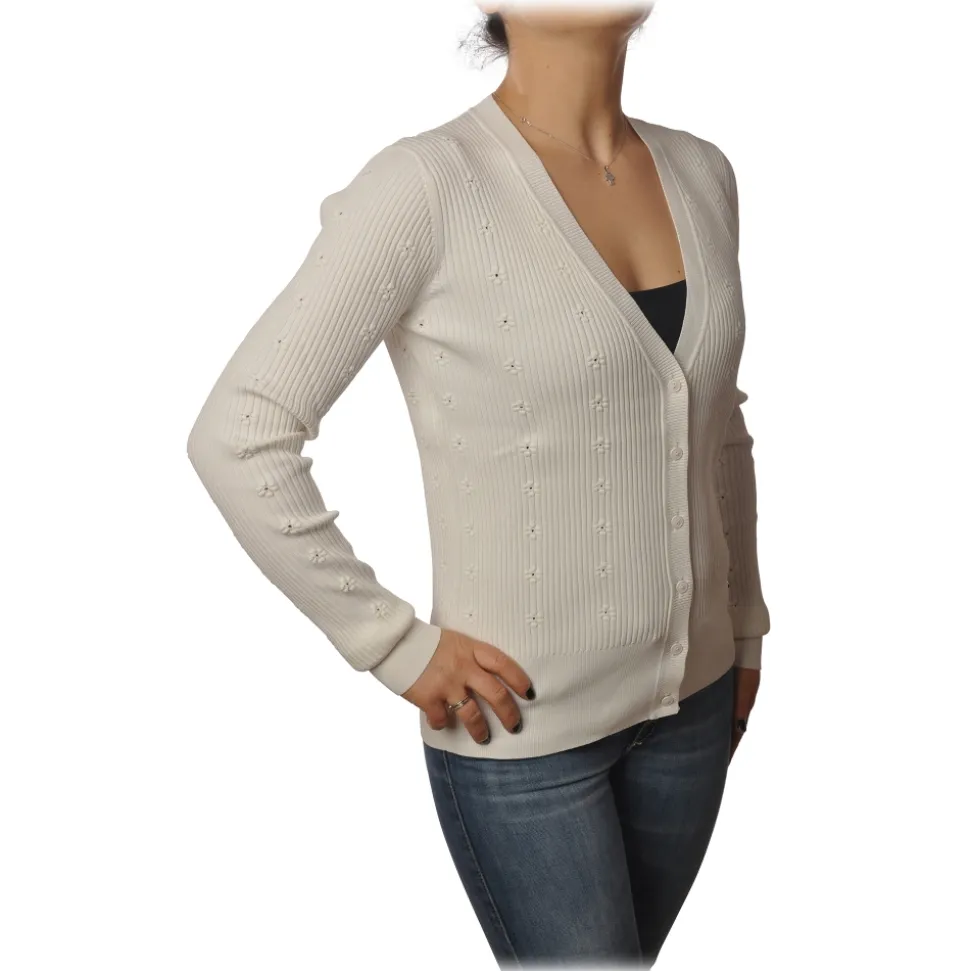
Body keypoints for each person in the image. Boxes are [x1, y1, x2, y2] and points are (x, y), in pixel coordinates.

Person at [186, 2, 771, 964]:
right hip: (522, 733)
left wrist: (744, 621)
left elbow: (718, 427)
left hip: (698, 708)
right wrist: (391, 644)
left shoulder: (704, 171)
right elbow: (240, 432)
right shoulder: (424, 187)